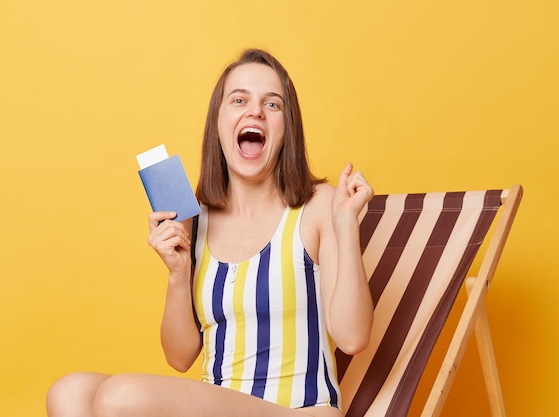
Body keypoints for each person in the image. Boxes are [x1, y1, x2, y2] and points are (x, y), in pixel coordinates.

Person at [46, 48, 374, 417]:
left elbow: (353, 337)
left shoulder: (318, 207)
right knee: (69, 392)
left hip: (299, 410)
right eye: (239, 100)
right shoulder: (195, 218)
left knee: (122, 396)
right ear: (218, 123)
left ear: (287, 129)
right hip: (218, 402)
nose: (255, 112)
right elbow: (180, 357)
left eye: (272, 105)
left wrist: (346, 224)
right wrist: (178, 272)